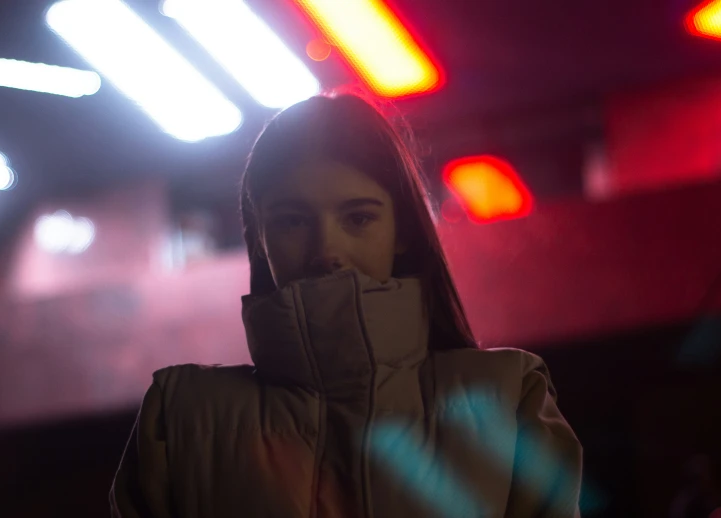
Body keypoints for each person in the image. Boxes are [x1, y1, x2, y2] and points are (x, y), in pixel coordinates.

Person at [109, 93, 583, 518]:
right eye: (293, 221)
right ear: (260, 240)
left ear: (401, 231)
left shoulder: (508, 398)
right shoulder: (180, 421)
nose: (326, 251)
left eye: (357, 217)